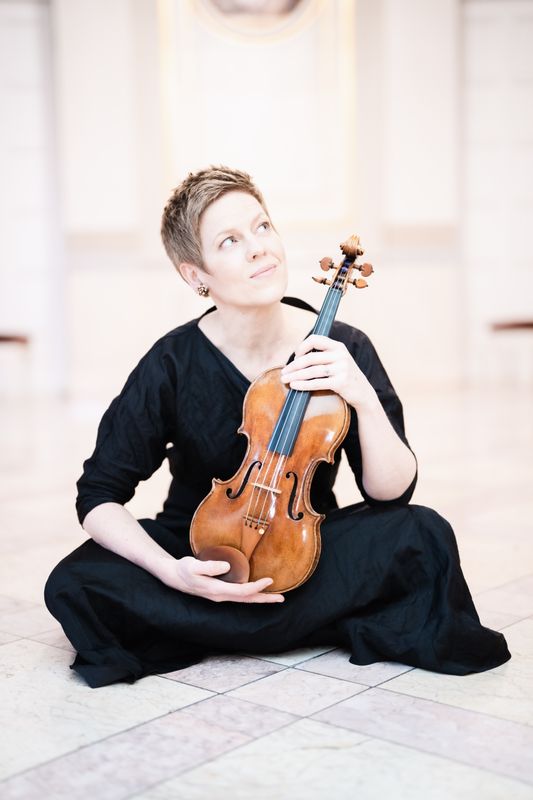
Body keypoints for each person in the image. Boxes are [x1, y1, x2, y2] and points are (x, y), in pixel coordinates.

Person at [44, 165, 511, 688]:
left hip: (305, 550)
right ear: (195, 275)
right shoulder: (172, 362)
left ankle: (214, 626)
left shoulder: (343, 347)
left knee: (423, 533)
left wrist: (361, 395)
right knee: (74, 580)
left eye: (262, 226)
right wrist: (173, 573)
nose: (259, 248)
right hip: (201, 554)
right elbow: (99, 496)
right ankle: (290, 620)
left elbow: (392, 493)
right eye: (230, 241)